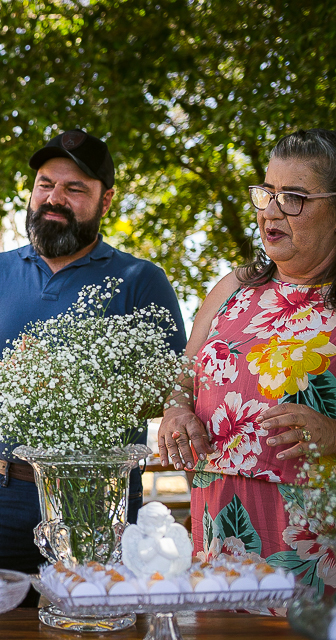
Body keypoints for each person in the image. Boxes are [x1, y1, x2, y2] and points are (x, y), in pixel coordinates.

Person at [0, 129, 187, 605]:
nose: (54, 198)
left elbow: (174, 386)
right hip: (3, 489)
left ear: (106, 200)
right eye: (45, 184)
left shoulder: (141, 279)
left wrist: (78, 385)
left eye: (74, 189)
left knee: (100, 623)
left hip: (100, 496)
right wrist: (12, 375)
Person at [159, 128, 336, 596]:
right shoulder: (233, 287)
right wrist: (176, 412)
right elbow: (183, 379)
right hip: (220, 532)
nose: (270, 211)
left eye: (294, 197)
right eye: (267, 192)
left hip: (316, 543)